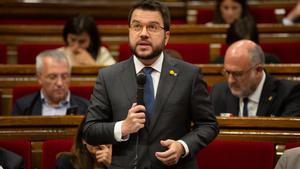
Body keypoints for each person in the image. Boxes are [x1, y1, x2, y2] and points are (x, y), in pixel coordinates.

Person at [82, 1, 219, 169]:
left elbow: (208, 125)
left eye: (152, 27)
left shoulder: (189, 75)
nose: (143, 34)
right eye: (137, 26)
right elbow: (90, 130)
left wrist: (182, 146)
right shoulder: (108, 77)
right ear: (129, 32)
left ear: (166, 36)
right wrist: (123, 127)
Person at [210, 40, 300, 117]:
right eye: (227, 72)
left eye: (237, 74)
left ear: (258, 70)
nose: (230, 80)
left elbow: (286, 135)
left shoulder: (288, 94)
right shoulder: (218, 93)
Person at [12, 49, 89, 116]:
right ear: (39, 78)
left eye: (64, 76)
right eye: (52, 77)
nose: (60, 83)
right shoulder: (23, 106)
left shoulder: (87, 108)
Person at [212, 17, 280, 64]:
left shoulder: (271, 61)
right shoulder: (218, 63)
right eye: (238, 48)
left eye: (247, 48)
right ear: (229, 46)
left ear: (256, 45)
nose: (242, 53)